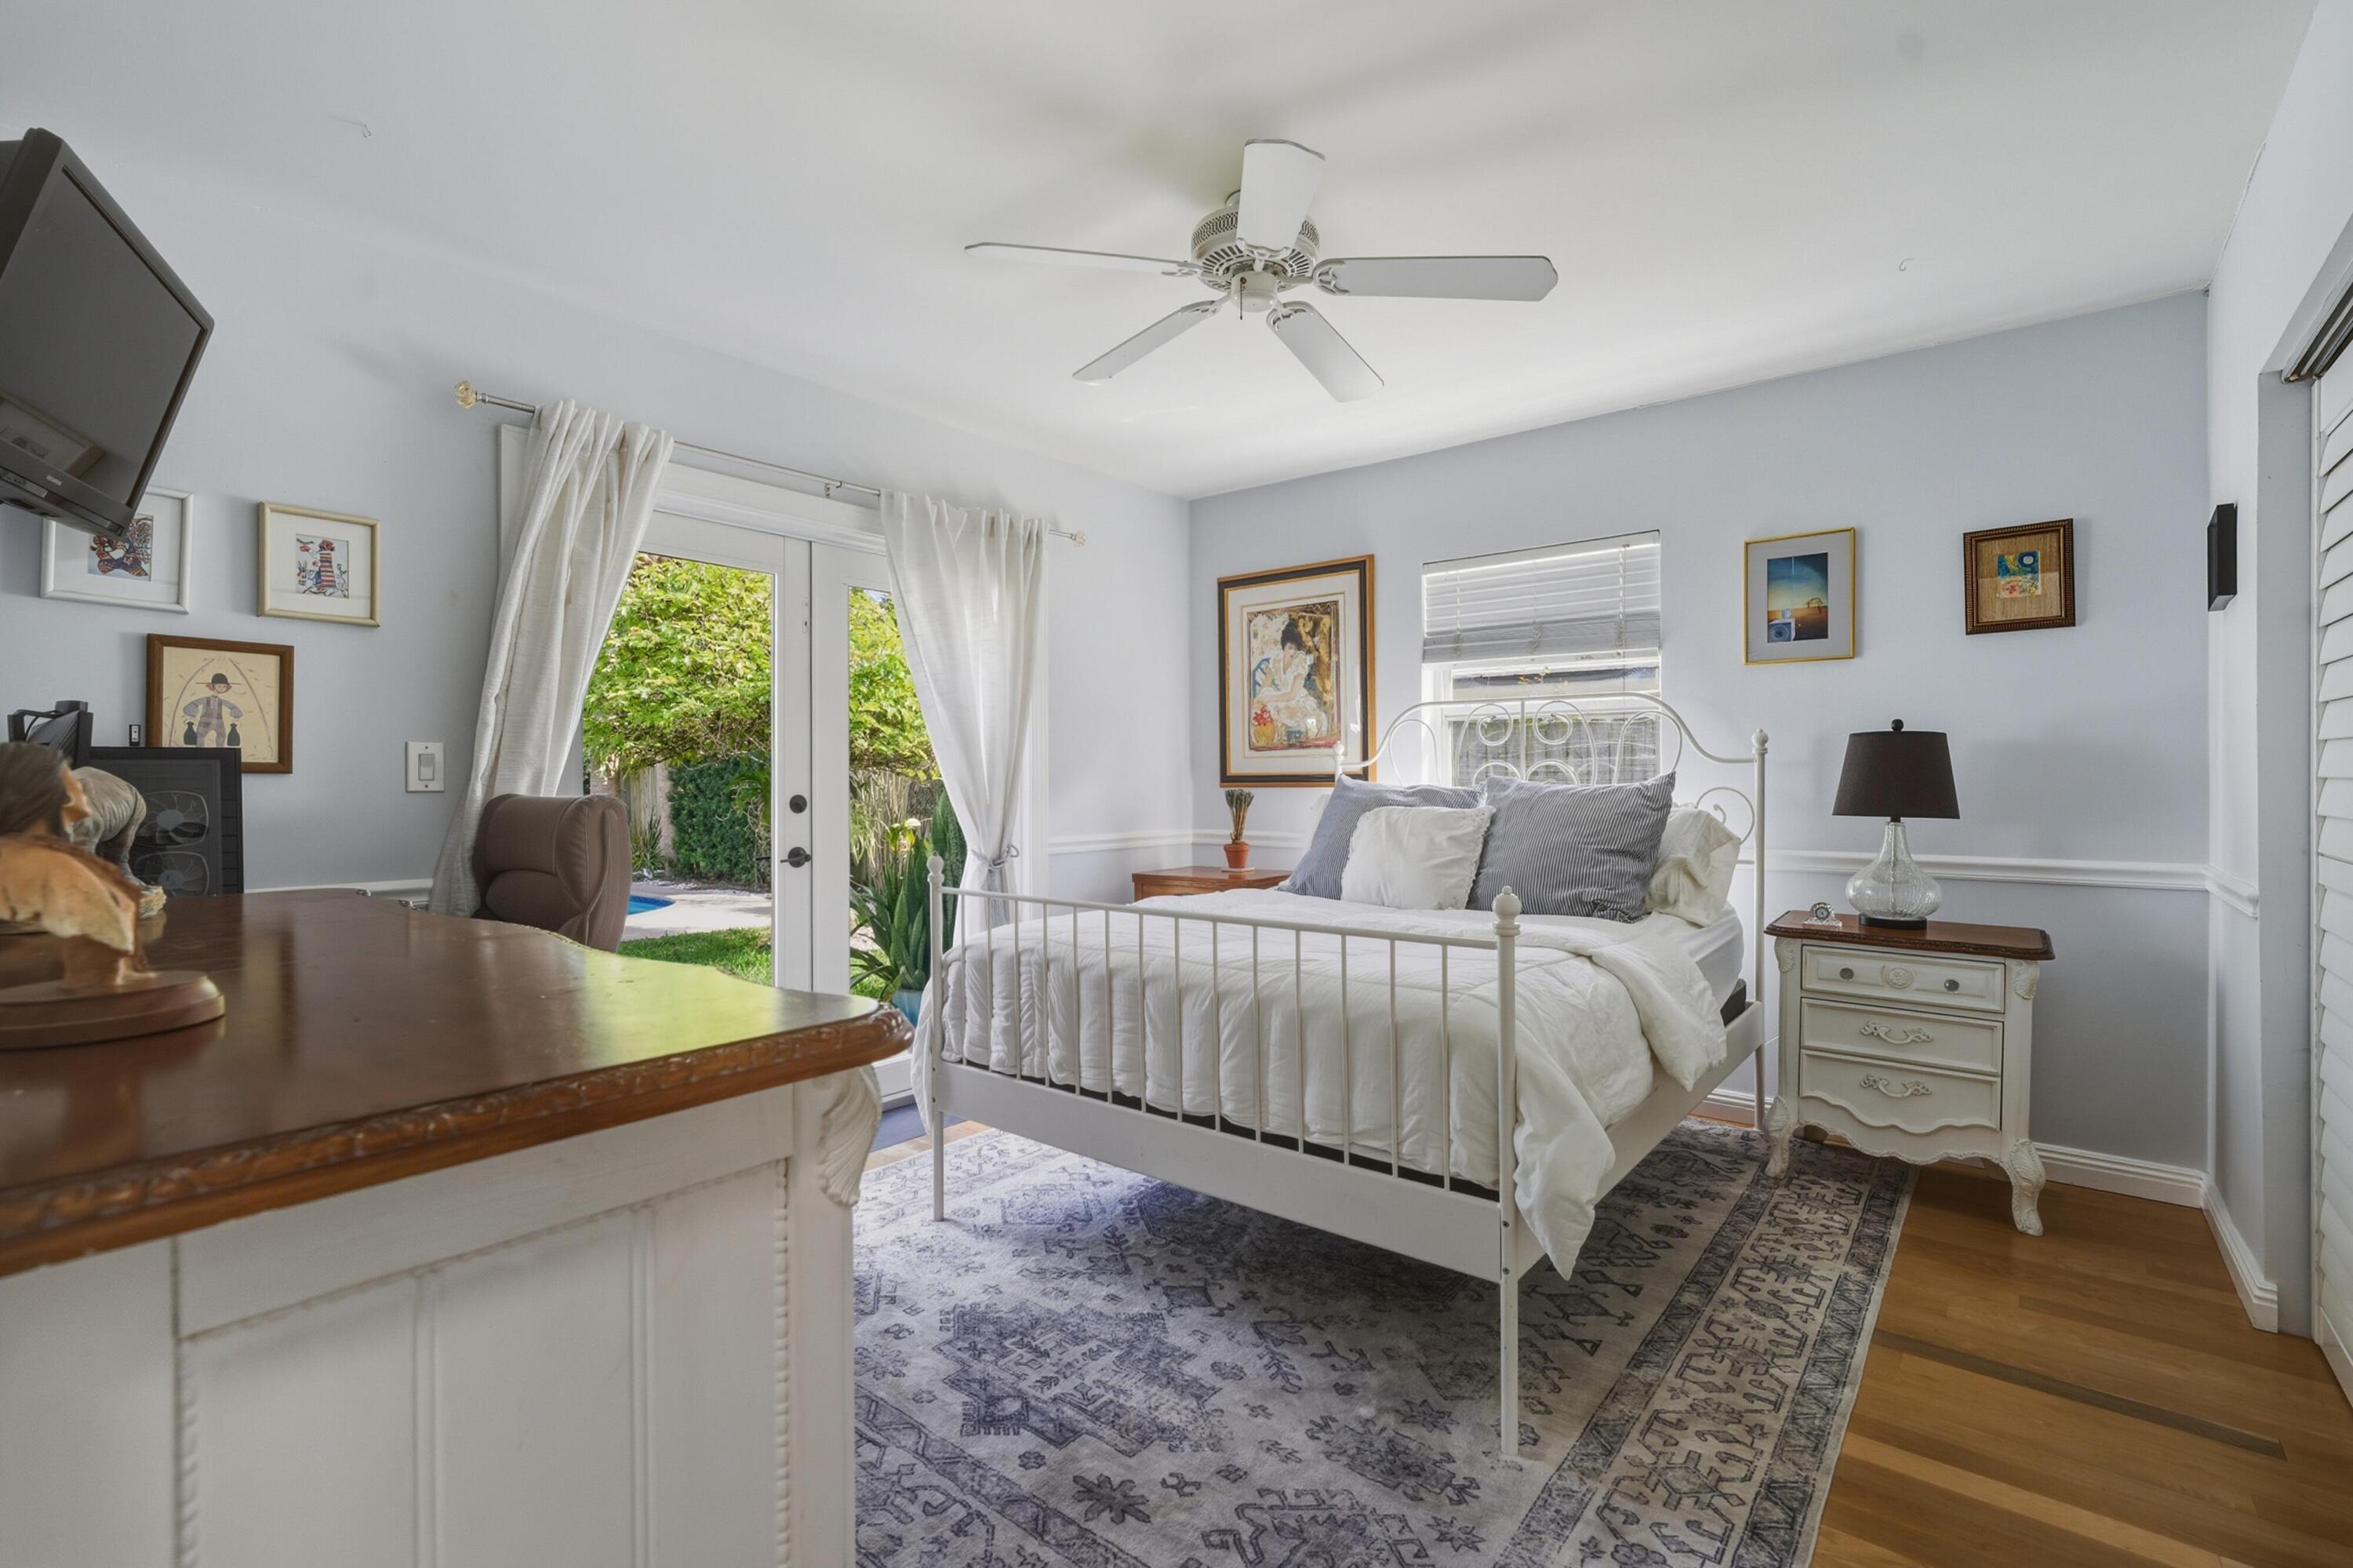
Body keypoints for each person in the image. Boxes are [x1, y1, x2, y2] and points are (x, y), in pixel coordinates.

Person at [181, 671, 243, 749]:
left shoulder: (221, 701)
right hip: (205, 722)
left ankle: (220, 753)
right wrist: (192, 714)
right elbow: (193, 704)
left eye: (224, 686)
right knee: (200, 736)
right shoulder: (205, 699)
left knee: (222, 735)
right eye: (219, 686)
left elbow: (232, 707)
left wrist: (236, 715)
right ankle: (199, 753)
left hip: (219, 722)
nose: (222, 688)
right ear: (213, 686)